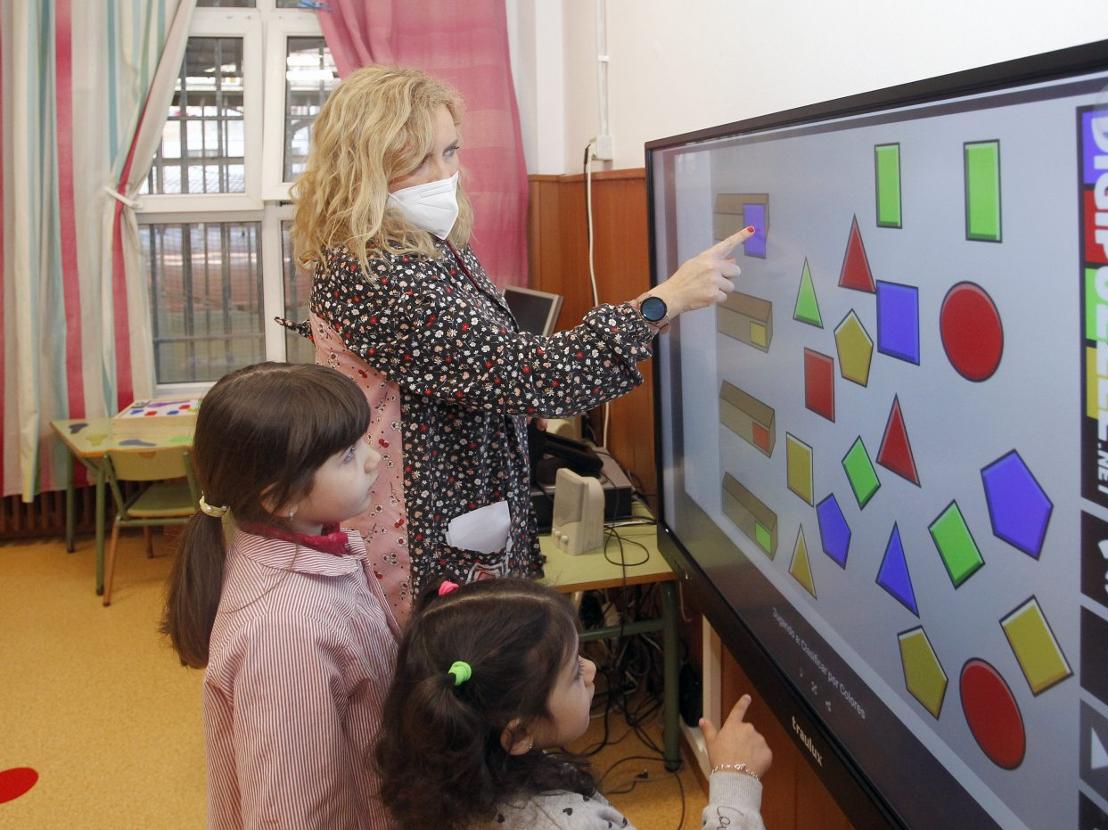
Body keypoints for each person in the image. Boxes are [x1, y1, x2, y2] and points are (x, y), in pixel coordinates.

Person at [290, 65, 753, 623]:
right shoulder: (377, 273)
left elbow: (492, 366)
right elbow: (532, 376)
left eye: (450, 152)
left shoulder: (426, 244)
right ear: (362, 169)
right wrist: (662, 302)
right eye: (417, 161)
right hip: (417, 526)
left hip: (461, 502)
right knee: (442, 665)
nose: (444, 176)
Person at [161, 362, 400, 829]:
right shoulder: (285, 634)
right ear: (280, 498)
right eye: (347, 455)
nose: (373, 458)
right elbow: (291, 811)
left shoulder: (309, 548)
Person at [375, 577, 772, 829]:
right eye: (573, 673)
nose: (593, 669)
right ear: (519, 734)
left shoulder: (449, 783)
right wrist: (735, 781)